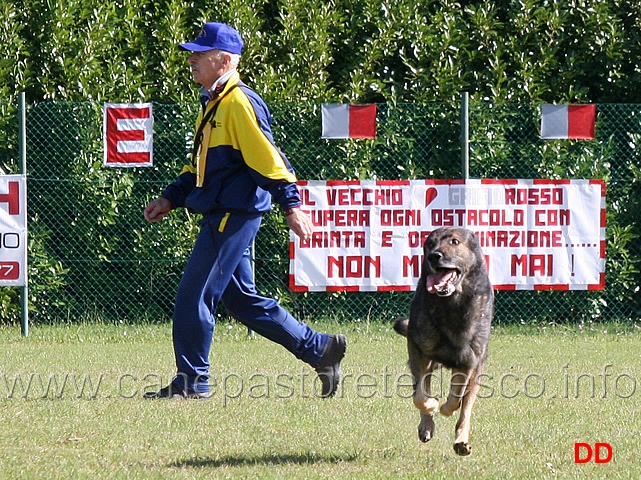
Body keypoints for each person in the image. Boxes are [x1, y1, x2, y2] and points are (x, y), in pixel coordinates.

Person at [142, 22, 345, 399]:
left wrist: (291, 205)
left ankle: (192, 382)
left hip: (231, 215)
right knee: (239, 300)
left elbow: (268, 159)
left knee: (194, 294)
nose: (192, 59)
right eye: (193, 52)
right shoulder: (213, 102)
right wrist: (171, 197)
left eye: (200, 53)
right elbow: (200, 166)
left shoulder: (238, 102)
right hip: (226, 212)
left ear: (225, 60)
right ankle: (321, 349)